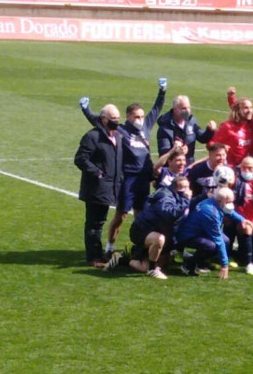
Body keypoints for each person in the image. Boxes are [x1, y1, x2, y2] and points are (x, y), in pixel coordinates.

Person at [78, 78, 167, 255]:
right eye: (136, 117)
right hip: (128, 179)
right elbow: (99, 121)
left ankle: (142, 246)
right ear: (128, 117)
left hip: (144, 178)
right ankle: (110, 247)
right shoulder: (120, 130)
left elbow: (156, 109)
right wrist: (86, 109)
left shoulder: (146, 127)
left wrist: (162, 91)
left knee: (142, 214)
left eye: (141, 116)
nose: (140, 120)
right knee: (121, 215)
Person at [105, 176, 192, 279]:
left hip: (160, 231)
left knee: (157, 265)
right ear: (175, 187)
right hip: (142, 230)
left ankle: (124, 258)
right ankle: (152, 269)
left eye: (188, 187)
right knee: (159, 239)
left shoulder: (177, 196)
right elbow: (169, 214)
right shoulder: (164, 196)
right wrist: (186, 200)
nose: (187, 190)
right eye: (183, 187)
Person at [74, 104, 123, 268]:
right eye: (113, 119)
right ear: (103, 119)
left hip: (111, 186)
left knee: (100, 222)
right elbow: (80, 158)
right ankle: (93, 257)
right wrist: (97, 173)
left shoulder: (118, 136)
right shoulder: (92, 137)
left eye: (117, 118)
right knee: (94, 223)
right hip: (96, 187)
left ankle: (98, 254)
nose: (116, 122)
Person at [176, 187, 251, 279]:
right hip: (189, 235)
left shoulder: (214, 202)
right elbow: (218, 239)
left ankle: (200, 262)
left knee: (226, 240)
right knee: (211, 246)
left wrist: (242, 220)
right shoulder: (210, 213)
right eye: (228, 202)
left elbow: (229, 211)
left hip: (201, 231)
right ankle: (188, 265)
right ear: (219, 201)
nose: (230, 205)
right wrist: (225, 265)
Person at [157, 94, 216, 165]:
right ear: (175, 109)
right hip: (173, 169)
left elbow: (203, 138)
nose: (187, 111)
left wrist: (210, 130)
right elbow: (163, 153)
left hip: (189, 166)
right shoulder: (165, 128)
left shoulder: (191, 121)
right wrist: (177, 151)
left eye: (189, 108)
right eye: (184, 108)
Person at [209, 96, 253, 167]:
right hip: (227, 167)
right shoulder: (227, 127)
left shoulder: (251, 125)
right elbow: (210, 144)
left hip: (242, 167)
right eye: (246, 108)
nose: (250, 110)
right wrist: (222, 147)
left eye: (251, 107)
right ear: (238, 110)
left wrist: (231, 97)